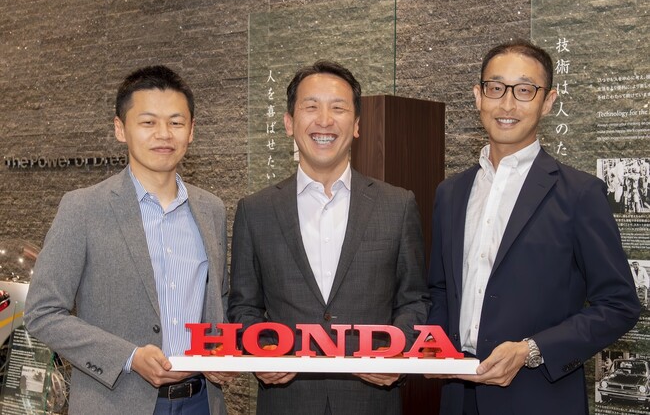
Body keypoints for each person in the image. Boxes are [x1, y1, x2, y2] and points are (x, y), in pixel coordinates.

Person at [426, 40, 640, 415]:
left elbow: (619, 305)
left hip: (539, 396)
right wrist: (432, 349)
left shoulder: (579, 193)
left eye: (524, 90)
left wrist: (531, 350)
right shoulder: (451, 192)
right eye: (496, 88)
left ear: (548, 101)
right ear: (478, 96)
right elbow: (441, 290)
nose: (507, 105)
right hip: (458, 395)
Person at [24, 65, 234, 415]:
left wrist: (220, 348)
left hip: (202, 401)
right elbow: (42, 312)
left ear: (192, 130)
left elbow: (219, 298)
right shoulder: (83, 208)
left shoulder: (211, 209)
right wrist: (129, 356)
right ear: (120, 129)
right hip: (115, 402)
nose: (164, 134)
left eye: (176, 122)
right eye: (148, 122)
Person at [228, 60, 430, 415]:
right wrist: (262, 350)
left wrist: (397, 352)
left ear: (357, 125)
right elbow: (243, 307)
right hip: (286, 402)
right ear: (289, 122)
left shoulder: (397, 205)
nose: (324, 120)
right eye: (311, 107)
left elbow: (414, 301)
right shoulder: (255, 210)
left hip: (370, 401)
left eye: (338, 108)